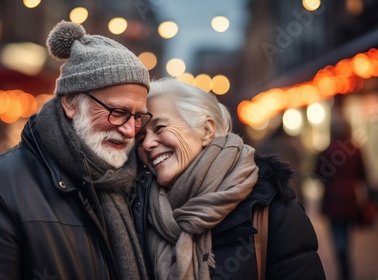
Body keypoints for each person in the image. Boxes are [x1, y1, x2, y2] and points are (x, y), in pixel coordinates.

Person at [0, 20, 151, 280]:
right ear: (70, 102)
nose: (130, 130)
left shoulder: (136, 186)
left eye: (138, 116)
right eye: (118, 112)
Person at [132, 78, 325, 280]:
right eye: (140, 137)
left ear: (206, 130)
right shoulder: (140, 214)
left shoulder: (273, 213)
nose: (147, 144)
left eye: (159, 127)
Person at [313, 116, 367, 280]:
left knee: (337, 232)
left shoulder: (327, 150)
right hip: (350, 197)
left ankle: (342, 262)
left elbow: (318, 174)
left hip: (332, 198)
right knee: (345, 231)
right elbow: (363, 175)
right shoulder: (355, 150)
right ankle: (345, 263)